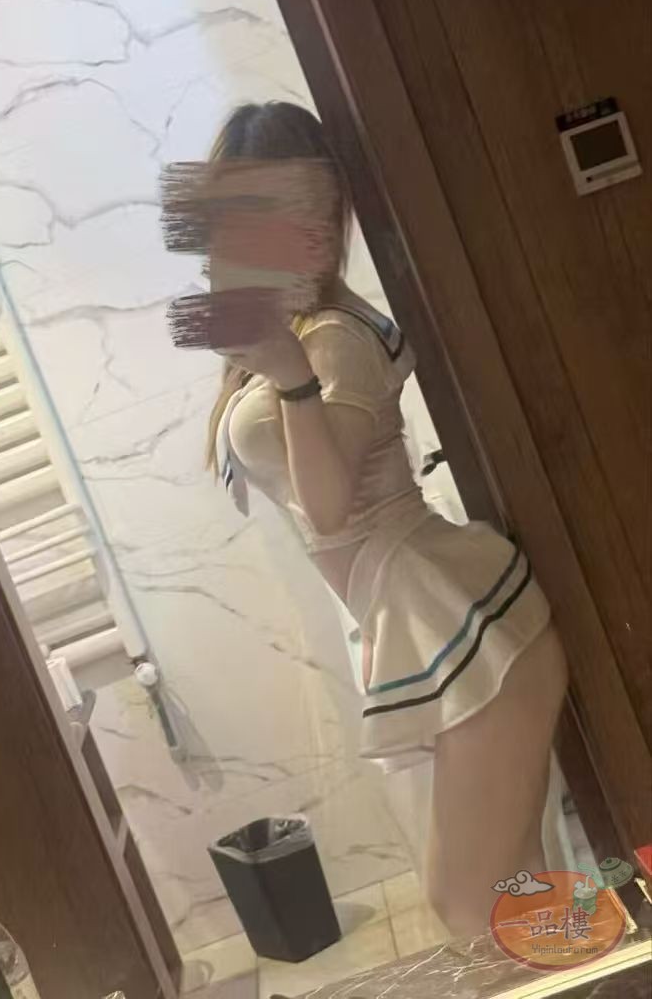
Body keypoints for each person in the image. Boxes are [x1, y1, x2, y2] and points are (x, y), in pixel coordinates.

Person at [204, 101, 568, 938]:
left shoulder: (331, 339)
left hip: (455, 619)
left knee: (472, 904)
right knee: (524, 898)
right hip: (420, 621)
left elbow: (327, 506)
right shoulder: (291, 335)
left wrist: (290, 376)